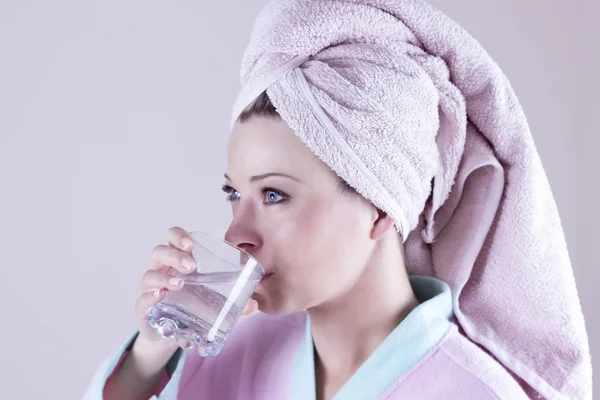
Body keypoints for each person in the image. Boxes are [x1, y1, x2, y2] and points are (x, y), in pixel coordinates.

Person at [85, 0, 592, 399]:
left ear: (378, 206)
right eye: (233, 193)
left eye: (275, 194)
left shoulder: (478, 392)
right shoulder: (220, 359)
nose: (236, 234)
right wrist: (147, 358)